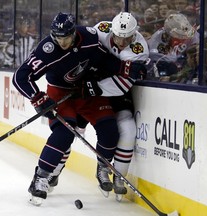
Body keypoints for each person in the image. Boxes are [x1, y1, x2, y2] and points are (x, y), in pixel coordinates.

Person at [12, 12, 142, 205]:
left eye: (66, 38)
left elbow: (104, 59)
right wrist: (39, 98)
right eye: (58, 38)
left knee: (109, 129)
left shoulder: (89, 36)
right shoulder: (47, 49)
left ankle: (103, 167)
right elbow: (20, 77)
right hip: (59, 92)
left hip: (87, 92)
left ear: (73, 32)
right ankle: (41, 177)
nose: (62, 43)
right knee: (65, 133)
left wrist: (124, 68)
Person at [49, 12, 149, 201]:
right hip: (87, 82)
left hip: (113, 90)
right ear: (111, 29)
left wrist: (94, 89)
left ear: (134, 34)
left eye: (126, 38)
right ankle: (53, 171)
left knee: (126, 128)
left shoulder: (138, 50)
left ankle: (116, 176)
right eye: (118, 36)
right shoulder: (101, 29)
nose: (121, 41)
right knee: (70, 130)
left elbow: (123, 84)